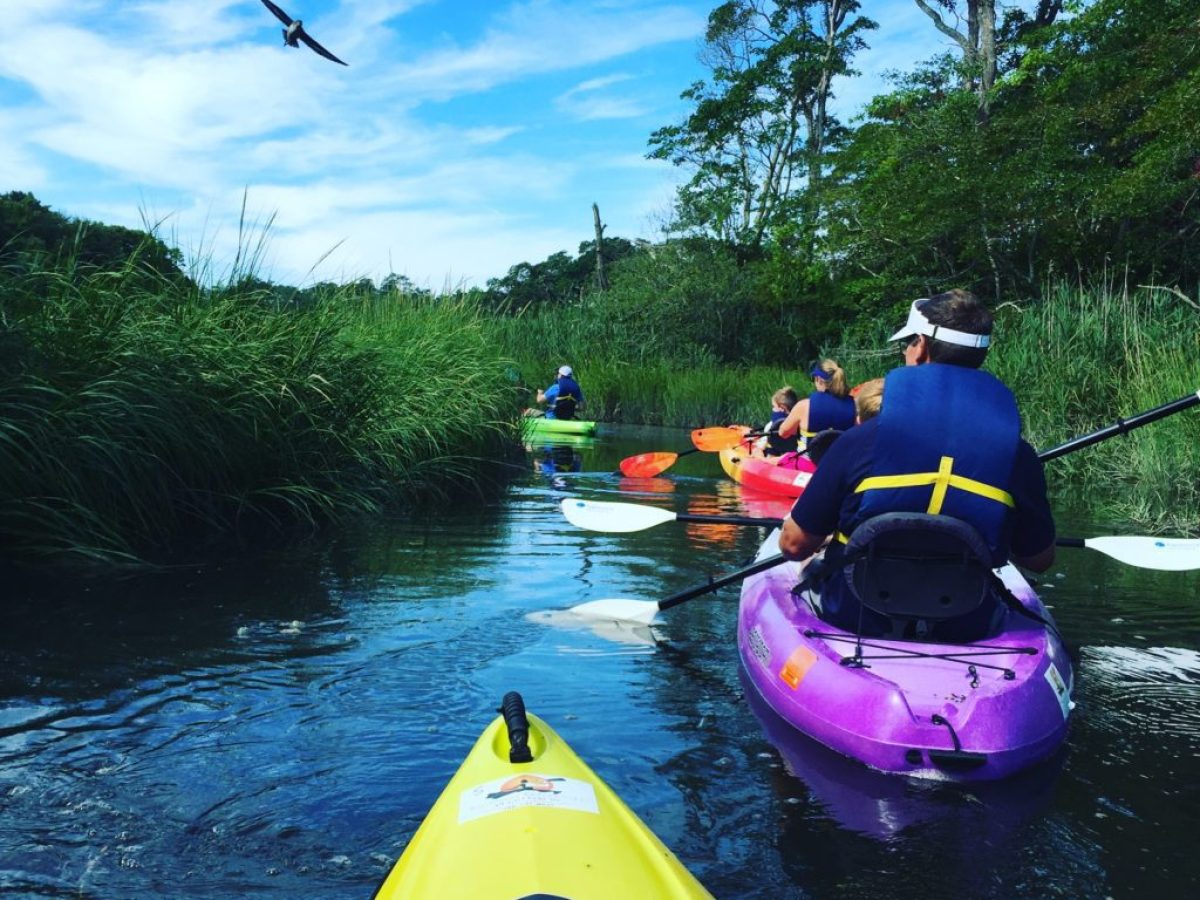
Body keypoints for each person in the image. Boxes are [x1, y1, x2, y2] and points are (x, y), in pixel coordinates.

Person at [778, 290, 1056, 640]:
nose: (906, 351)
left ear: (921, 347)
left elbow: (793, 545)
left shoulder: (858, 442)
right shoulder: (1017, 455)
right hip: (966, 624)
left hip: (855, 615)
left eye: (908, 343)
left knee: (809, 566)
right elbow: (1039, 559)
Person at [775, 359, 856, 449]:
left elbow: (783, 433)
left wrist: (779, 414)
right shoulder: (855, 406)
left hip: (810, 457)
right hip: (842, 457)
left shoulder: (803, 406)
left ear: (819, 379)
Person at [753, 386, 800, 457]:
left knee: (757, 451)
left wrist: (757, 447)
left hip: (773, 456)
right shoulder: (799, 423)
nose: (773, 409)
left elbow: (763, 446)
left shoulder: (771, 426)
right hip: (793, 455)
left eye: (774, 407)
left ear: (782, 408)